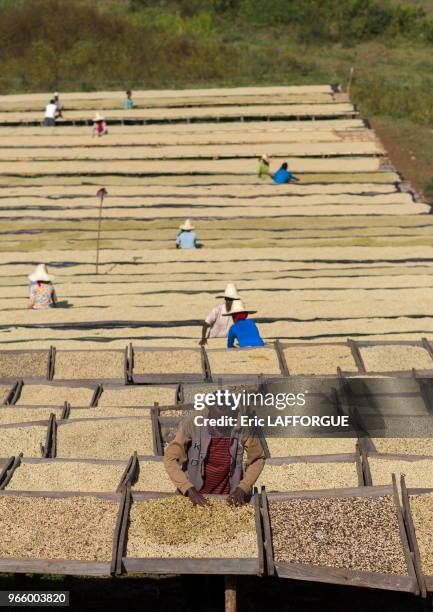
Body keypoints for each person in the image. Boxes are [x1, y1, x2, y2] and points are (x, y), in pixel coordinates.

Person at [164, 403, 265, 506]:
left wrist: (243, 488)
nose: (222, 426)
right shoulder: (193, 422)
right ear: (210, 410)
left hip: (229, 497)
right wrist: (188, 488)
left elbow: (258, 459)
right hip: (193, 495)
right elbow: (170, 458)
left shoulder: (243, 425)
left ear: (234, 413)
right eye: (217, 421)